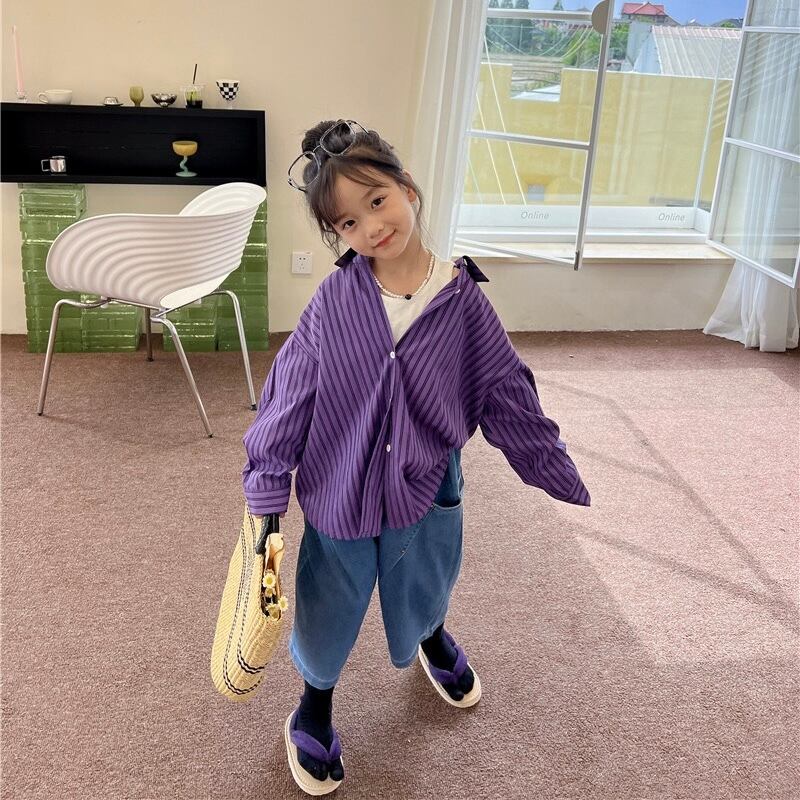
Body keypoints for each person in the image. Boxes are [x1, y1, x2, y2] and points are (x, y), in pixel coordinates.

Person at [241, 119, 590, 795]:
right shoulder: (334, 302)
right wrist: (268, 493)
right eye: (348, 222)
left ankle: (431, 634)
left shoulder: (463, 301)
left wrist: (550, 465)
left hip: (427, 483)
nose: (372, 227)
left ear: (407, 188)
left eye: (377, 201)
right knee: (329, 599)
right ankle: (314, 703)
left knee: (426, 576)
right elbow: (288, 397)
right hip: (340, 484)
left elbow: (504, 390)